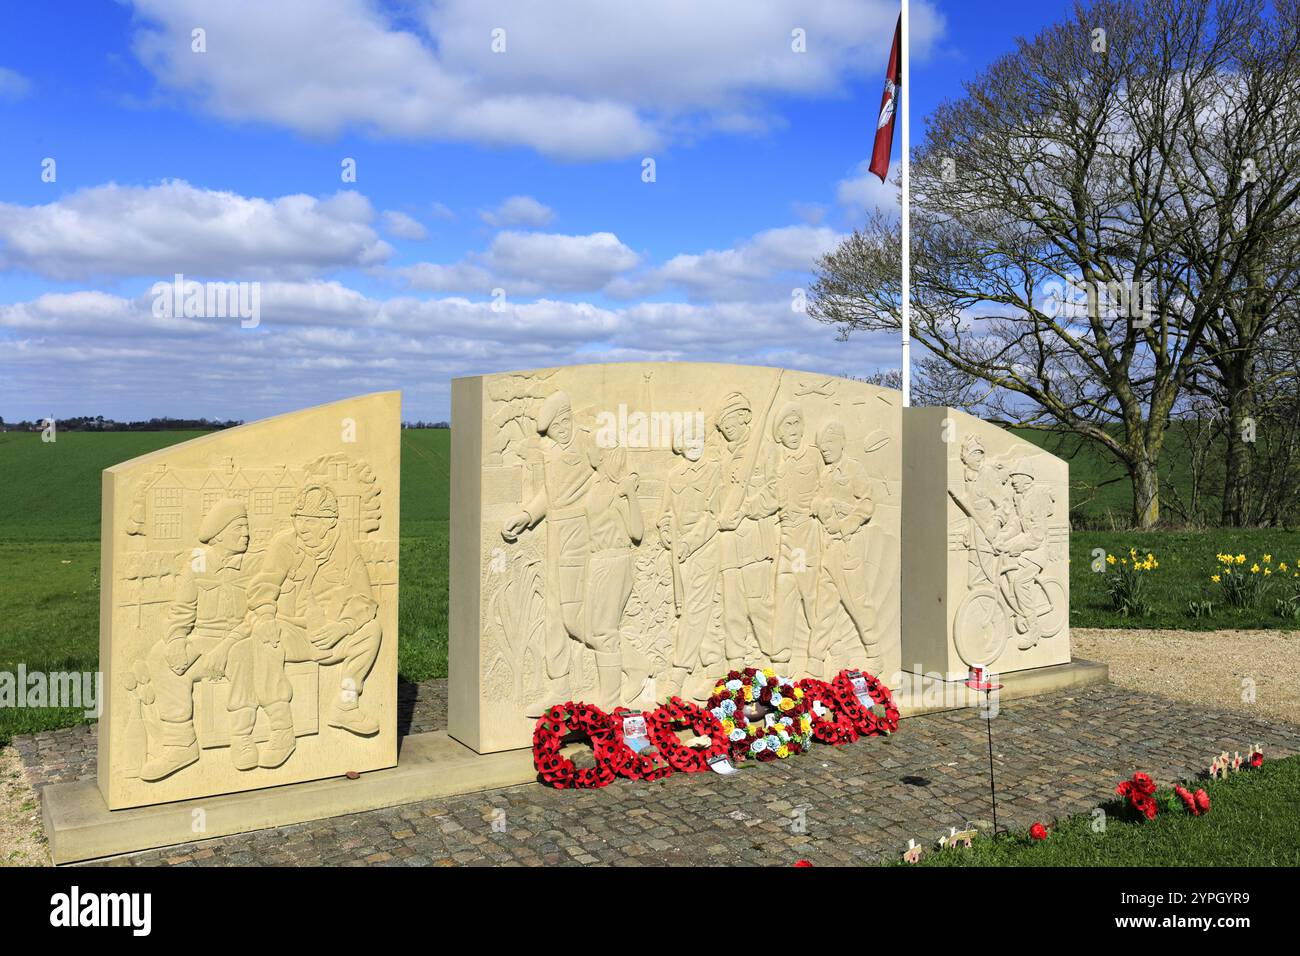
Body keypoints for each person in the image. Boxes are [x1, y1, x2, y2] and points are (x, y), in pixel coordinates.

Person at [247, 484, 383, 767]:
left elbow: (364, 599)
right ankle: (282, 730)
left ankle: (346, 704)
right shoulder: (285, 544)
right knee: (263, 637)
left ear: (329, 523)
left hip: (330, 635)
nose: (302, 526)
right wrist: (266, 617)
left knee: (371, 630)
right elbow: (265, 586)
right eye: (298, 518)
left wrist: (343, 626)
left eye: (310, 520)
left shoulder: (345, 547)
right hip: (290, 630)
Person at [142, 499, 260, 780]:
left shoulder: (255, 564)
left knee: (244, 654)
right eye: (239, 528)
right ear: (218, 534)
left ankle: (242, 737)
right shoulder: (197, 563)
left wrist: (226, 645)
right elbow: (182, 610)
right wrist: (176, 641)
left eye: (247, 527)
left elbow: (260, 613)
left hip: (242, 639)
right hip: (203, 640)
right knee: (160, 656)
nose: (246, 534)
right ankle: (180, 743)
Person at [501, 390, 598, 711]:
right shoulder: (550, 450)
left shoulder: (589, 442)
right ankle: (560, 686)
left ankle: (626, 661)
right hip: (556, 531)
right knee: (554, 612)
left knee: (576, 612)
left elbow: (613, 478)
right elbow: (550, 492)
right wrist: (527, 515)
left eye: (557, 427)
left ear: (566, 419)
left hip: (583, 533)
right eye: (549, 431)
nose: (554, 435)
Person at [713, 392, 779, 670]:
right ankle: (734, 672)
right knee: (733, 611)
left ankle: (775, 665)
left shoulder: (764, 450)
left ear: (745, 417)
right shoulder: (724, 457)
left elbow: (776, 491)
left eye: (730, 420)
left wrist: (747, 509)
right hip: (729, 545)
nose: (725, 428)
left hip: (753, 541)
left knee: (758, 608)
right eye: (722, 424)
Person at [657, 429, 723, 700]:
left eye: (699, 440)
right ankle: (715, 666)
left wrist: (689, 543)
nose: (695, 445)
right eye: (689, 440)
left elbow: (713, 515)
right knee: (693, 612)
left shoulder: (713, 471)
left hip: (704, 548)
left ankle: (678, 674)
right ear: (681, 445)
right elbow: (664, 513)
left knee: (694, 609)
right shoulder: (674, 476)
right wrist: (665, 532)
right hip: (680, 552)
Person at [810, 420, 880, 677]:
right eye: (821, 446)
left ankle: (874, 654)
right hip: (827, 547)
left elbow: (867, 504)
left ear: (841, 442)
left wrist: (846, 524)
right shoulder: (824, 473)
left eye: (828, 443)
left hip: (848, 546)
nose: (824, 449)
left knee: (857, 602)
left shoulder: (853, 469)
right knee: (825, 605)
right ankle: (815, 659)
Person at [582, 447, 644, 709]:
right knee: (590, 631)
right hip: (598, 560)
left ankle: (609, 703)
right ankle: (638, 665)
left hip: (616, 559)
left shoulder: (621, 489)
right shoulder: (594, 488)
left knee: (605, 631)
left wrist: (630, 494)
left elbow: (637, 533)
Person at [770, 402, 821, 670]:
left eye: (795, 423)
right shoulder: (775, 459)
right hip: (786, 535)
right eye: (786, 425)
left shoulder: (813, 457)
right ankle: (780, 659)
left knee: (809, 592)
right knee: (784, 591)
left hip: (805, 536)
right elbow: (769, 496)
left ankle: (821, 653)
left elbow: (827, 488)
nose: (792, 430)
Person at [993, 459, 1054, 649]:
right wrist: (1001, 538)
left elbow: (1036, 536)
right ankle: (1017, 612)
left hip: (1037, 551)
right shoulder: (1019, 498)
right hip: (1026, 548)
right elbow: (1017, 524)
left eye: (1015, 478)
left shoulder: (1038, 499)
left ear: (1027, 479)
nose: (1012, 482)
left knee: (1020, 583)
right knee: (1007, 571)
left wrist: (1015, 546)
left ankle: (1034, 629)